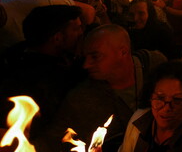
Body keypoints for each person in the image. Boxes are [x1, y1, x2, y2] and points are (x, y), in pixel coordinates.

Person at [35, 24, 167, 152]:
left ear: (123, 52)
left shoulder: (157, 68)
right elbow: (53, 138)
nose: (86, 65)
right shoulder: (82, 98)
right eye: (85, 57)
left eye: (95, 56)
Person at [0, 5, 85, 138]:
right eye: (76, 29)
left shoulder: (17, 53)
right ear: (57, 38)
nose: (81, 33)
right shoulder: (45, 82)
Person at [119, 60, 182, 151]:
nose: (167, 108)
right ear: (150, 96)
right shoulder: (139, 121)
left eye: (177, 100)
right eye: (160, 98)